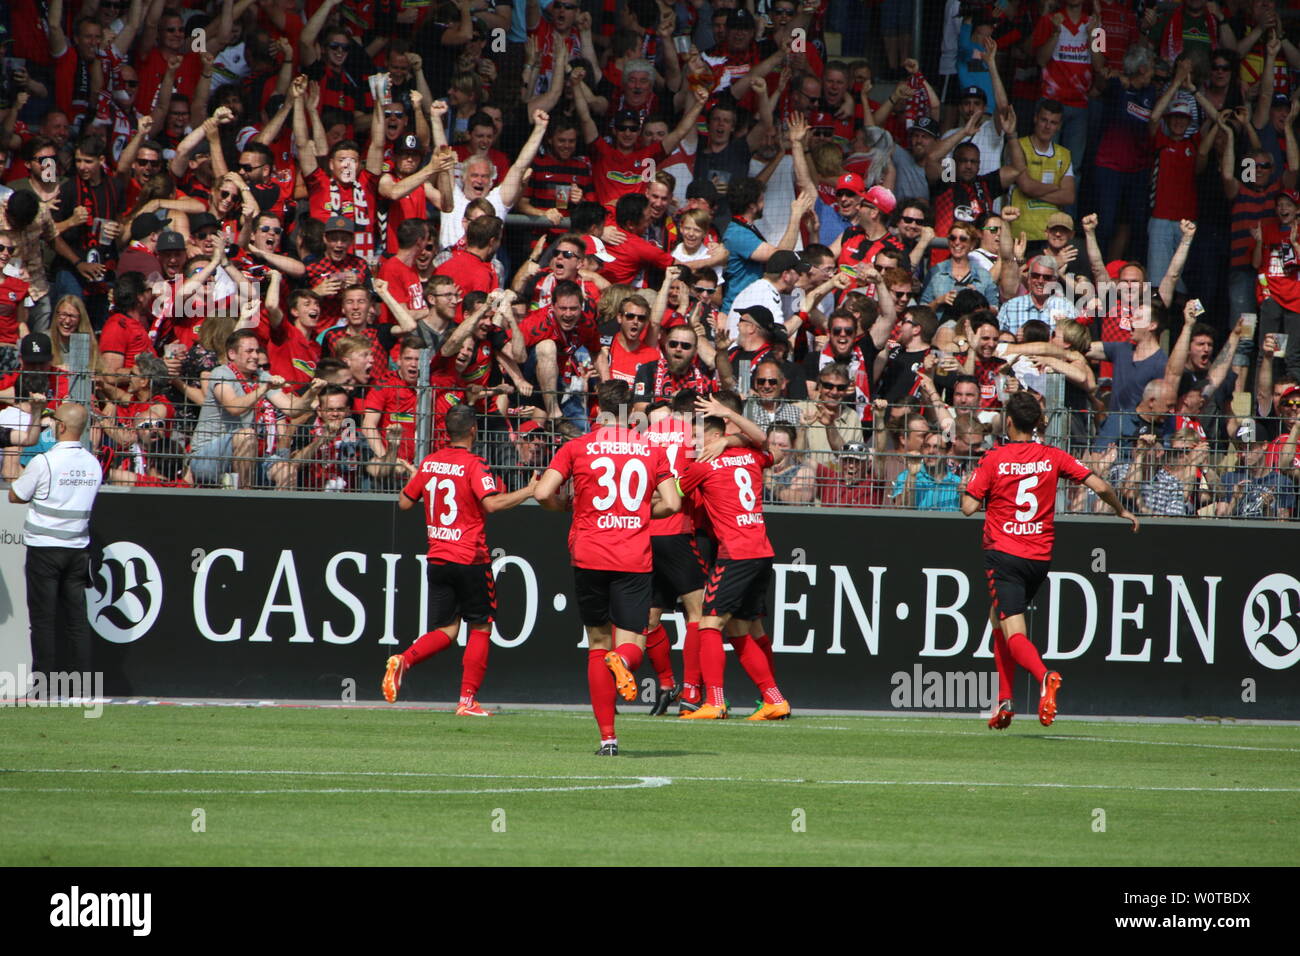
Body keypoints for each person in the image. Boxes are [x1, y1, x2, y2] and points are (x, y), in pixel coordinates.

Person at [961, 392, 1139, 731]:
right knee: (997, 618)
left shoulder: (994, 459)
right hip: (1038, 558)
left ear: (1009, 422)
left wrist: (978, 488)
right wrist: (1121, 510)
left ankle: (1045, 677)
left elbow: (969, 507)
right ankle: (1004, 700)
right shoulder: (1052, 456)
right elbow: (1099, 484)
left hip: (1005, 553)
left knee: (1013, 631)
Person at [534, 379, 681, 755]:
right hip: (632, 556)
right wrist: (638, 513)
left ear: (597, 407)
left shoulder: (576, 447)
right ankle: (623, 660)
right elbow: (673, 504)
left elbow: (541, 493)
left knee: (597, 644)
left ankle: (608, 739)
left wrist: (564, 508)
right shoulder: (650, 449)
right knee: (632, 642)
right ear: (631, 411)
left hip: (589, 554)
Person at [383, 404, 538, 715]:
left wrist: (422, 482)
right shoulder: (474, 464)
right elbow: (492, 504)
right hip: (469, 558)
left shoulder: (430, 463)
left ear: (446, 431)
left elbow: (403, 502)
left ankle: (405, 659)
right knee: (480, 628)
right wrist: (529, 490)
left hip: (438, 558)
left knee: (447, 631)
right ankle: (467, 700)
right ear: (473, 431)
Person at [677, 393, 791, 720]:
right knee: (741, 628)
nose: (694, 442)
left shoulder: (703, 465)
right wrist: (730, 437)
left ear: (713, 436)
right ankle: (774, 699)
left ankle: (714, 701)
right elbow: (767, 444)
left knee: (710, 623)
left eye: (698, 436)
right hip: (761, 550)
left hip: (735, 553)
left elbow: (675, 494)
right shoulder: (750, 456)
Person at [9, 398, 104, 680]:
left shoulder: (45, 461)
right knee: (76, 620)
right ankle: (83, 685)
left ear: (60, 427)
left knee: (42, 621)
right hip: (77, 550)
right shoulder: (93, 464)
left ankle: (42, 683)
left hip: (44, 550)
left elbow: (16, 495)